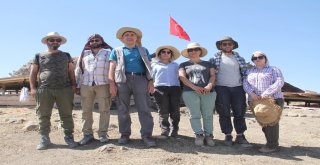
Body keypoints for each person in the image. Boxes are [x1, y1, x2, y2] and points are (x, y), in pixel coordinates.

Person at [29, 32, 79, 150]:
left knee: (66, 114)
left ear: (60, 42)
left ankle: (69, 137)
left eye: (57, 40)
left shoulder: (66, 55)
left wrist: (73, 85)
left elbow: (71, 71)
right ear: (47, 42)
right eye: (52, 40)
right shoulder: (39, 55)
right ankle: (44, 139)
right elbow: (33, 72)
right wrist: (32, 87)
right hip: (45, 89)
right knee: (43, 115)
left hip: (65, 89)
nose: (55, 42)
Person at [108, 27, 156, 147]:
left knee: (144, 108)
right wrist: (112, 84)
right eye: (127, 35)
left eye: (132, 35)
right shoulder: (116, 50)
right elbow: (112, 68)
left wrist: (151, 81)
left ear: (136, 38)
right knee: (123, 108)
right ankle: (124, 134)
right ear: (122, 38)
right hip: (122, 80)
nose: (129, 36)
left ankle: (147, 135)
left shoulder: (143, 50)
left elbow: (149, 67)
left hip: (141, 79)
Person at [209, 36, 251, 147]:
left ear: (233, 45)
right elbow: (210, 73)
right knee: (223, 112)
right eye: (224, 44)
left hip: (238, 87)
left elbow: (246, 73)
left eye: (229, 44)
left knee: (239, 112)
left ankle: (240, 135)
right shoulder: (214, 58)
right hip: (221, 87)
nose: (227, 46)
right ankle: (228, 135)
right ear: (220, 46)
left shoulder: (239, 58)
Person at [75, 34, 113, 145]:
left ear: (102, 41)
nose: (94, 42)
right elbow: (78, 70)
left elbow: (113, 70)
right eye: (92, 40)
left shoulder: (108, 53)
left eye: (97, 40)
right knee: (86, 111)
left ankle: (103, 134)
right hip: (86, 85)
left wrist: (113, 85)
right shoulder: (84, 54)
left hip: (103, 84)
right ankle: (87, 135)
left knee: (104, 110)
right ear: (89, 43)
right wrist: (77, 85)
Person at [243, 51, 284, 153]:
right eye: (254, 58)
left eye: (260, 57)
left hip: (273, 99)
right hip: (255, 101)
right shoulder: (249, 71)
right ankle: (270, 143)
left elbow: (279, 82)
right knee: (264, 122)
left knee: (271, 122)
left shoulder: (274, 69)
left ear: (265, 58)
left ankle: (272, 145)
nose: (257, 59)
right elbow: (245, 83)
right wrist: (252, 94)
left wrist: (266, 94)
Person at [179, 42, 217, 146]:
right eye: (190, 50)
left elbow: (213, 75)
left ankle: (209, 135)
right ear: (188, 52)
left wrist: (209, 86)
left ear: (200, 51)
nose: (193, 51)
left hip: (208, 92)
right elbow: (182, 77)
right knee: (194, 114)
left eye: (196, 49)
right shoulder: (183, 65)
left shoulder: (209, 64)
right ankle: (199, 134)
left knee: (208, 114)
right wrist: (195, 88)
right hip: (190, 92)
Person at [152, 45, 181, 139]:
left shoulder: (176, 65)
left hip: (175, 88)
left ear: (171, 55)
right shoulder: (154, 65)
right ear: (159, 54)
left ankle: (175, 129)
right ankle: (165, 130)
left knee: (175, 111)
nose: (166, 54)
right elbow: (151, 78)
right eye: (163, 52)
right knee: (163, 111)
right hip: (160, 88)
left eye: (168, 52)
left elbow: (181, 77)